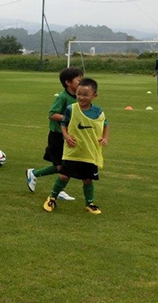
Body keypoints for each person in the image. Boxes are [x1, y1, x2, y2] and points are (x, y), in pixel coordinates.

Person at [43, 78, 109, 215]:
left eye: (85, 94)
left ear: (94, 96)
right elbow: (64, 123)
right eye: (79, 94)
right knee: (63, 176)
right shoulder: (71, 109)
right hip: (73, 151)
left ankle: (90, 203)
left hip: (89, 152)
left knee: (87, 179)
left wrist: (105, 138)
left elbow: (106, 124)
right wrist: (66, 136)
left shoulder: (98, 112)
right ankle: (52, 198)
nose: (81, 97)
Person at [25, 67, 83, 201]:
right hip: (57, 136)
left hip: (69, 136)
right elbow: (52, 115)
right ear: (68, 82)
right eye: (78, 80)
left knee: (65, 165)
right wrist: (68, 119)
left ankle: (44, 179)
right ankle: (35, 174)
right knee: (62, 166)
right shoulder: (62, 97)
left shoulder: (78, 98)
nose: (81, 83)